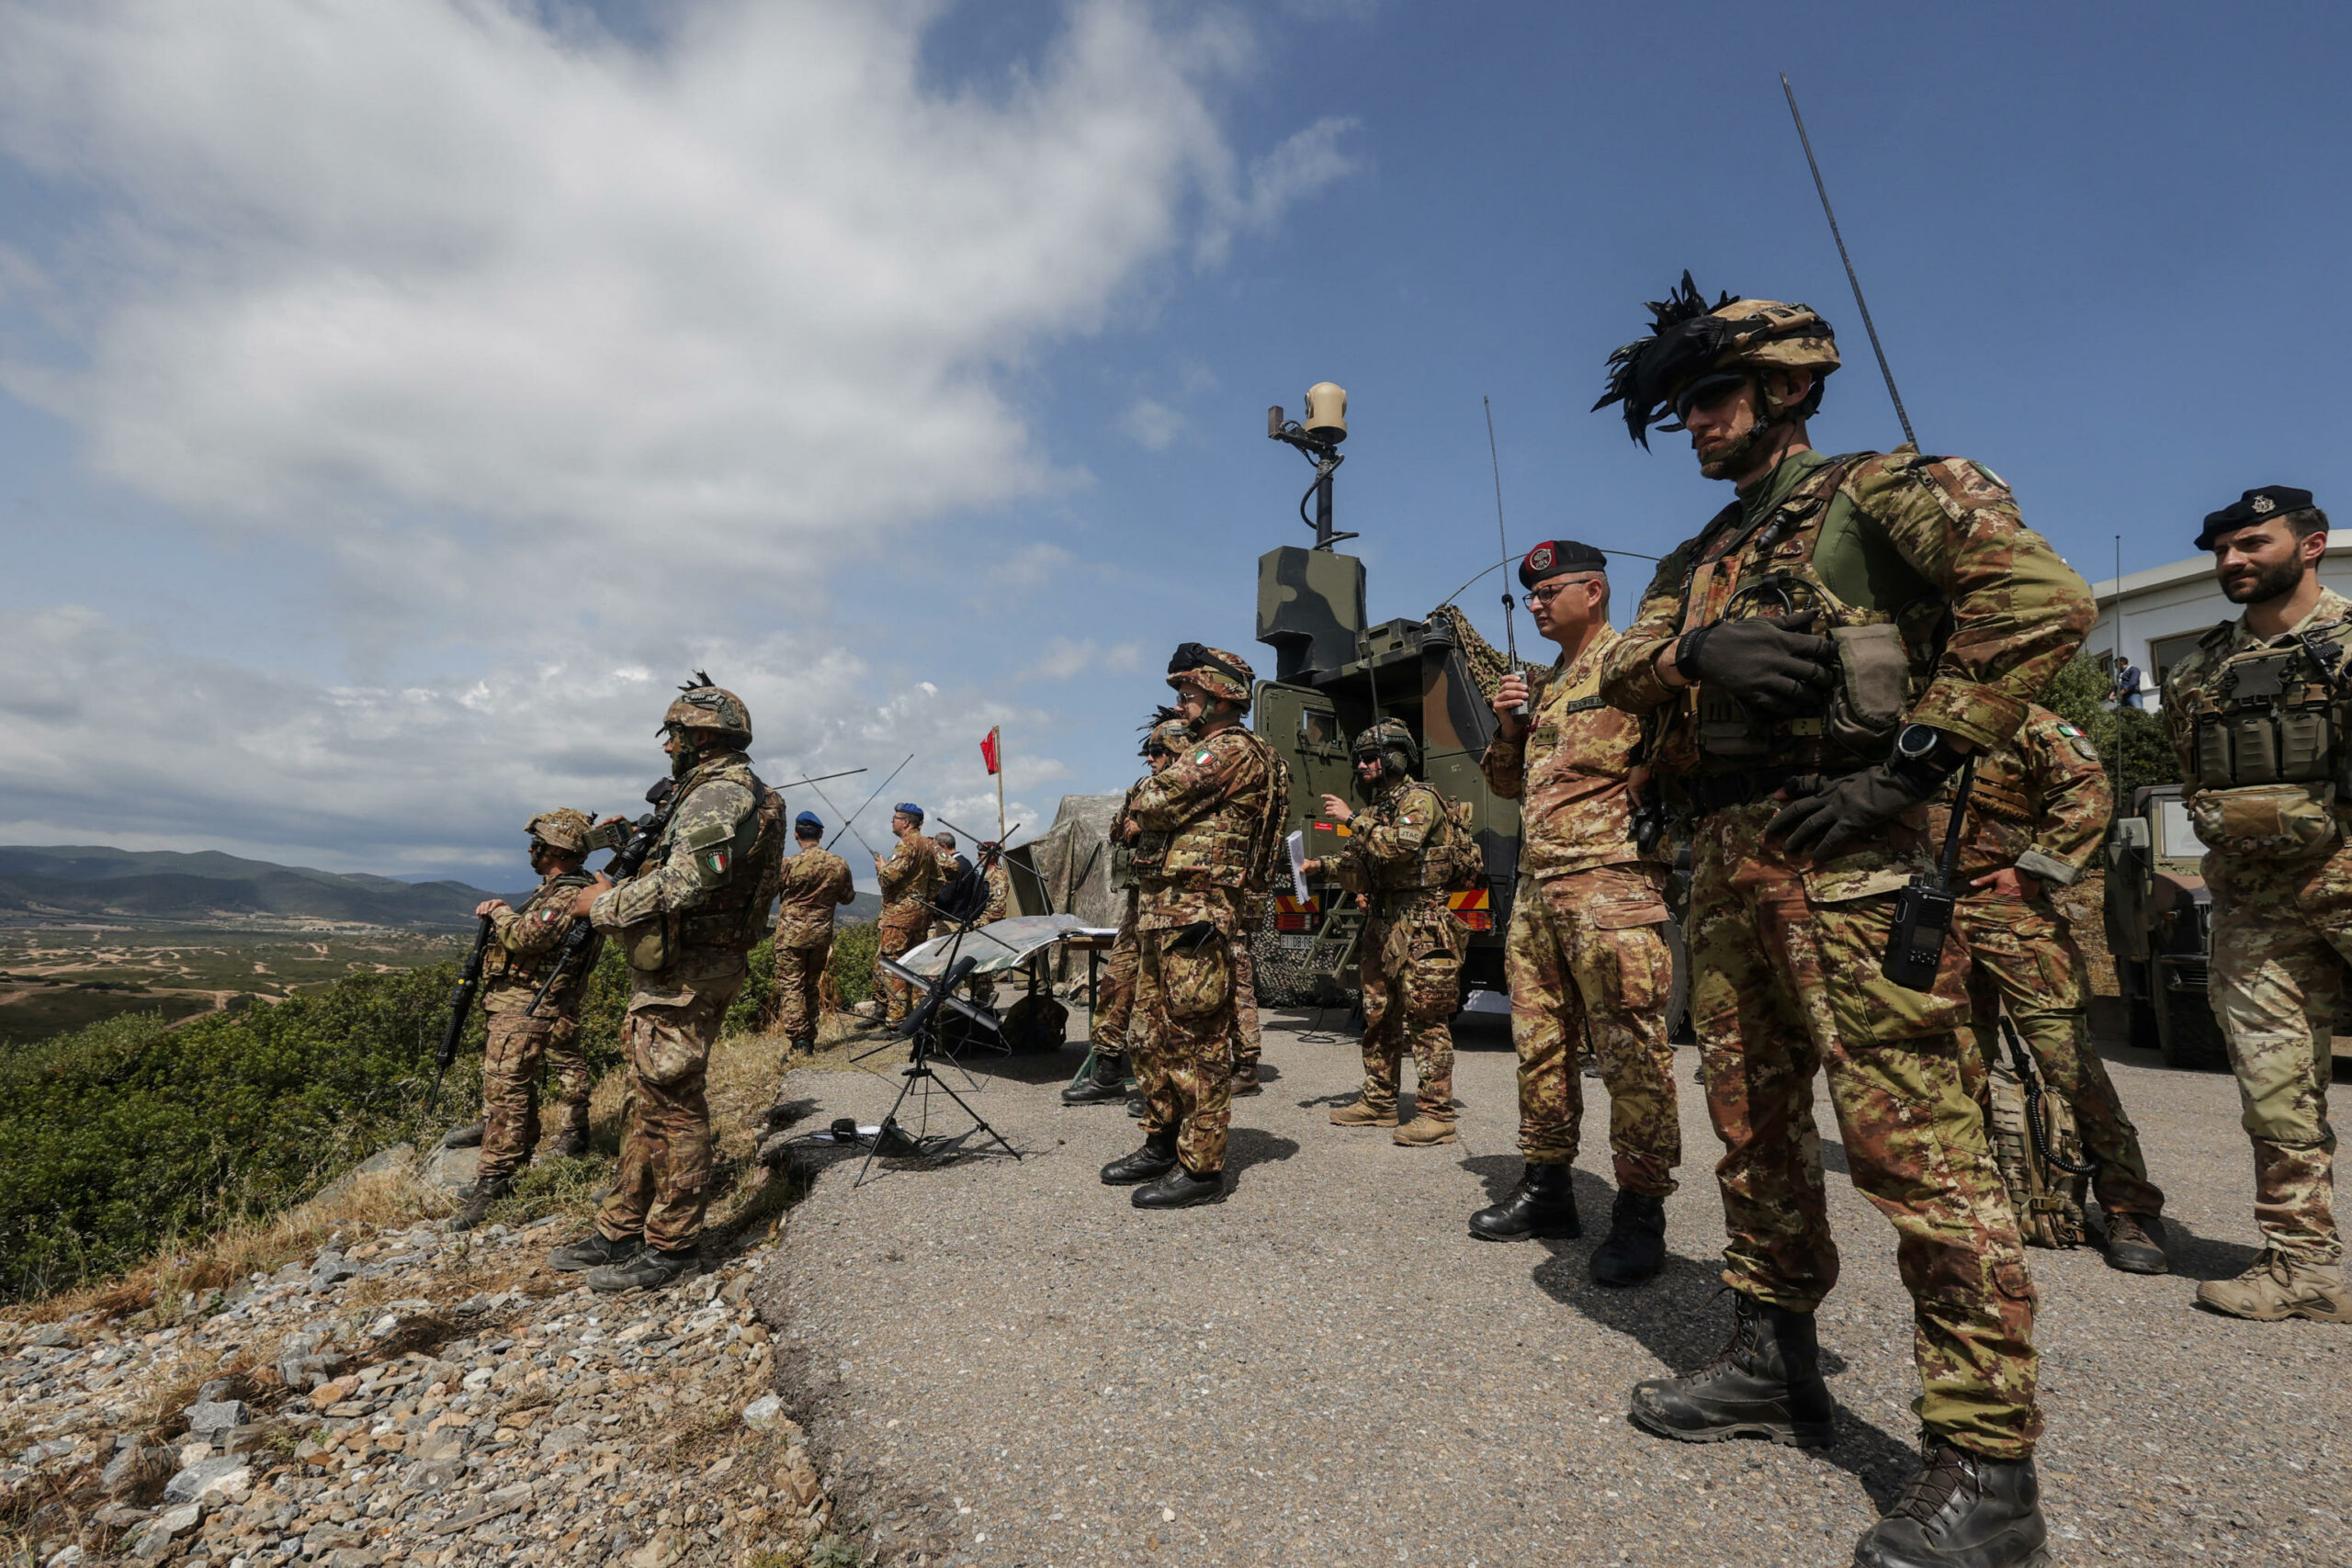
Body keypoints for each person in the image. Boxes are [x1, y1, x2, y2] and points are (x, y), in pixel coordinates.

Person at [1593, 276, 2093, 1568]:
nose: (1695, 423)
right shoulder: (1697, 559)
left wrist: (1909, 766)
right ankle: (1771, 1359)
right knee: (1752, 1132)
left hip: (1859, 858)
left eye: (1711, 395)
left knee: (1920, 1155)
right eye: (1684, 405)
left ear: (1790, 388)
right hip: (1729, 859)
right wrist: (1699, 656)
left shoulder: (1884, 491)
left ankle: (1989, 1466)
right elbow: (1623, 664)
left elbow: (2040, 598)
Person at [2162, 486, 2352, 1325]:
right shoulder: (2200, 670)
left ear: (2311, 545)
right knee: (2275, 1090)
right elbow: (2200, 782)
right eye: (2223, 550)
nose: (2233, 561)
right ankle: (2304, 1266)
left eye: (2252, 544)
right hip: (2257, 910)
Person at [1471, 539, 1681, 1287]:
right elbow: (1504, 786)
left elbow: (1684, 741)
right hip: (1539, 889)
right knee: (1540, 1045)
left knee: (1631, 1052)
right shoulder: (1548, 683)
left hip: (1609, 882)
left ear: (1593, 591)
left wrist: (1654, 786)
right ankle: (1548, 1185)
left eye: (1547, 590)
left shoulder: (1635, 664)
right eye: (1529, 594)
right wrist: (1508, 728)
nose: (1533, 602)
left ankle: (1640, 1209)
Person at [545, 677, 786, 1292]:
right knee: (646, 1098)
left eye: (673, 735)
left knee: (674, 1102)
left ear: (701, 737)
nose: (667, 747)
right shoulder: (708, 793)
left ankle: (675, 1244)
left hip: (690, 971)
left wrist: (599, 905)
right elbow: (685, 868)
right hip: (680, 966)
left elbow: (684, 886)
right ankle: (622, 1226)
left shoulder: (720, 797)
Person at [1946, 705, 2168, 1272]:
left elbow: (2088, 795)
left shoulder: (2029, 724)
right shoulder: (1910, 721)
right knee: (1955, 1066)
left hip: (2013, 913)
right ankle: (1977, 1199)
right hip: (1933, 915)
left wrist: (2032, 871)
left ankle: (2129, 1206)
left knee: (2068, 1064)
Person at [1100, 646, 1285, 1209]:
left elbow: (1153, 801)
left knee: (1197, 1039)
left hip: (1199, 913)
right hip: (1166, 910)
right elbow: (1130, 817)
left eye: (1189, 695)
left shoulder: (1230, 749)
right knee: (1149, 1034)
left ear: (1222, 695)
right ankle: (1161, 1141)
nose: (1180, 707)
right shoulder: (1204, 749)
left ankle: (1201, 1168)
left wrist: (1147, 803)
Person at [1308, 720, 1477, 1146]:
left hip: (1420, 924)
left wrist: (1351, 820)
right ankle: (1380, 1101)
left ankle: (1437, 1114)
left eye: (1371, 758)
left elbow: (1399, 846)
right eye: (1359, 759)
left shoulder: (1420, 799)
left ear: (1397, 758)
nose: (1362, 766)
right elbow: (1359, 864)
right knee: (1378, 1016)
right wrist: (1320, 868)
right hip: (1381, 925)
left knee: (1426, 1019)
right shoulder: (1372, 811)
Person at [449, 808, 606, 1232]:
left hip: (529, 1004)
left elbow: (527, 937)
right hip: (519, 1004)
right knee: (507, 1088)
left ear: (555, 849)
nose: (530, 850)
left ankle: (495, 1180)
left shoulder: (567, 893)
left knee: (509, 1094)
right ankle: (503, 1170)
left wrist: (500, 913)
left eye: (536, 843)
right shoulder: (559, 888)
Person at [1066, 716, 1186, 1107]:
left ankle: (1162, 1089)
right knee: (1115, 985)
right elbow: (1119, 831)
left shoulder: (1192, 788)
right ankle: (1108, 1074)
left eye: (1157, 752)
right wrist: (1132, 819)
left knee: (1165, 1000)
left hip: (1174, 907)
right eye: (1148, 752)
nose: (1149, 759)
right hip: (1139, 907)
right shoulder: (1143, 787)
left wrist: (1146, 822)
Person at [763, 810, 854, 1057]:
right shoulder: (838, 864)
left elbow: (769, 891)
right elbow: (847, 898)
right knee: (811, 986)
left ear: (796, 834)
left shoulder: (788, 865)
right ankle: (810, 1036)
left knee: (792, 987)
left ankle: (799, 1041)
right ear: (820, 834)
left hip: (791, 936)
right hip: (821, 935)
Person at [864, 804, 942, 1025]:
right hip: (919, 914)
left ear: (906, 822)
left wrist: (881, 866)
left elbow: (890, 877)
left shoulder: (906, 844)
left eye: (895, 818)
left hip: (899, 916)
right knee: (915, 963)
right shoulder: (927, 845)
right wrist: (923, 899)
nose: (892, 821)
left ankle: (896, 1019)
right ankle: (917, 1014)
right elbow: (938, 879)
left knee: (894, 965)